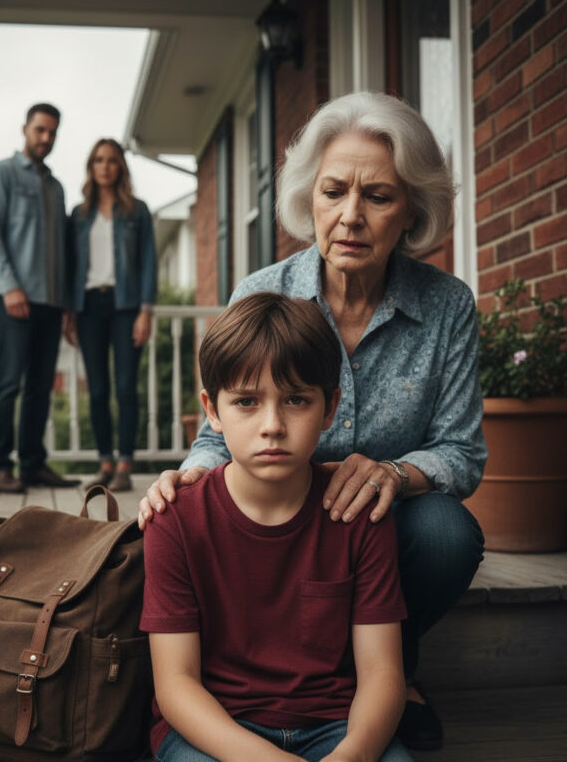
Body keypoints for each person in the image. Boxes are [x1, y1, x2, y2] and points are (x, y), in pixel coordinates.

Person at [139, 91, 487, 751]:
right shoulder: (262, 292)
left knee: (448, 533)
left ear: (410, 207)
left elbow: (462, 452)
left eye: (378, 197)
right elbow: (220, 430)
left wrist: (392, 475)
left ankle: (386, 676)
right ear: (311, 198)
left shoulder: (447, 306)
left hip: (377, 517)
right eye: (334, 192)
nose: (350, 216)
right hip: (275, 504)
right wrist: (185, 482)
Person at [142, 292, 413, 762]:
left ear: (329, 408)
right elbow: (176, 684)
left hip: (336, 726)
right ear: (212, 410)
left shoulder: (358, 515)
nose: (272, 425)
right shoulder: (175, 521)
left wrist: (353, 755)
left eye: (295, 400)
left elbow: (383, 674)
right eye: (246, 401)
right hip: (214, 730)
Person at [0, 102, 79, 493]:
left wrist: (67, 304)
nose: (46, 138)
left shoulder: (56, 188)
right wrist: (9, 286)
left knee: (40, 385)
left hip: (51, 302)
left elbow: (63, 252)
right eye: (40, 130)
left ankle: (33, 464)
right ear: (25, 129)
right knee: (7, 383)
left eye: (52, 132)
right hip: (14, 298)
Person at [66, 138, 157, 492]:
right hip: (88, 306)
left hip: (126, 306)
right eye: (98, 160)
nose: (105, 166)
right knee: (98, 389)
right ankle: (104, 462)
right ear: (91, 167)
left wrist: (145, 311)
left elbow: (148, 262)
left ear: (121, 166)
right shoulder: (79, 215)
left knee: (125, 386)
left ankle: (124, 465)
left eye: (111, 160)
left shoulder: (137, 210)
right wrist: (69, 313)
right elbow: (71, 266)